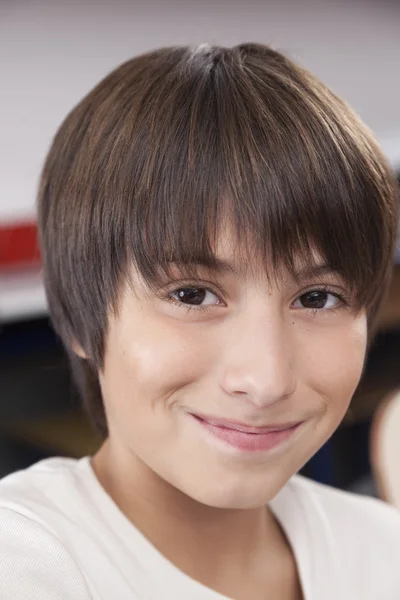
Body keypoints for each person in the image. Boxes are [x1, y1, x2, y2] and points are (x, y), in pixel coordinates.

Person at [1, 43, 399, 600]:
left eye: (317, 299)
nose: (266, 380)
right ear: (77, 316)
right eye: (192, 294)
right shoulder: (25, 563)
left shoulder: (382, 552)